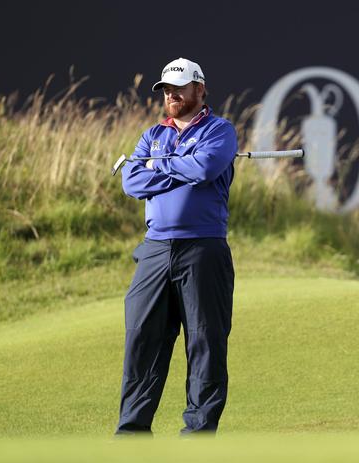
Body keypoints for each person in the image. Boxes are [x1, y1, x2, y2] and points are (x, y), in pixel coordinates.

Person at [115, 57, 237, 436]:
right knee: (141, 339)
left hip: (203, 248)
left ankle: (198, 435)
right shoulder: (153, 135)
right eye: (166, 89)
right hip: (155, 249)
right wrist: (174, 164)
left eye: (179, 88)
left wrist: (158, 166)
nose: (171, 95)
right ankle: (132, 432)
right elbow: (132, 183)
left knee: (205, 341)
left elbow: (204, 170)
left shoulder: (220, 130)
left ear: (199, 89)